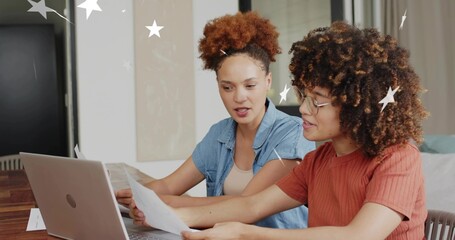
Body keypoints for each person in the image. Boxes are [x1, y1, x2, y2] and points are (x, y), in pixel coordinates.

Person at [133, 21, 429, 239]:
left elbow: (358, 236)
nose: (303, 109)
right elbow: (251, 205)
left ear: (354, 104)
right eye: (303, 96)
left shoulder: (398, 157)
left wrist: (243, 233)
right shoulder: (318, 161)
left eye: (318, 101)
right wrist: (172, 216)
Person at [116, 11, 314, 229]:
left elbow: (246, 205)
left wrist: (165, 203)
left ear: (268, 81)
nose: (239, 98)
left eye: (249, 86)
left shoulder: (292, 133)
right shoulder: (219, 135)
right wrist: (131, 196)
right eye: (227, 87)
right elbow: (168, 184)